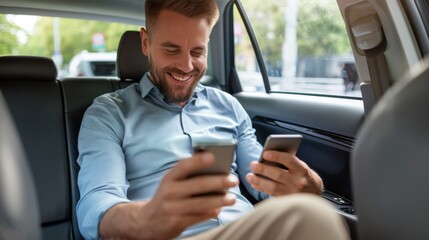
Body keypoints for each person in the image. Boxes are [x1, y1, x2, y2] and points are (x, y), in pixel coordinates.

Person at [76, 0, 350, 239]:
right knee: (315, 217)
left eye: (197, 52)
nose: (186, 66)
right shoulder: (109, 113)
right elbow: (97, 205)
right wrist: (149, 217)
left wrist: (307, 187)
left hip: (243, 230)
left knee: (313, 211)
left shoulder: (229, 106)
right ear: (146, 43)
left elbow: (262, 183)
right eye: (171, 50)